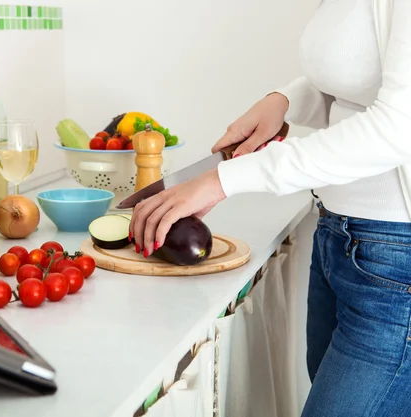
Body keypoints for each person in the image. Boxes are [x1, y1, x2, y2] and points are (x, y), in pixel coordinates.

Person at [129, 1, 411, 415]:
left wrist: (222, 180)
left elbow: (397, 128)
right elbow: (358, 70)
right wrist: (285, 100)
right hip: (338, 240)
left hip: (395, 267)